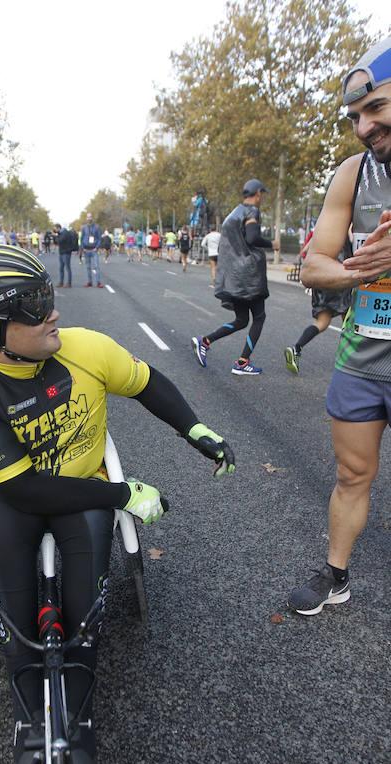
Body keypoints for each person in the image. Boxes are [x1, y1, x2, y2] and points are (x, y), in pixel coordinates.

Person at [0, 243, 235, 764]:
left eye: (46, 294)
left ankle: (78, 706)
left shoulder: (86, 348)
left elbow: (148, 385)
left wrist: (196, 431)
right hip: (18, 496)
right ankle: (28, 706)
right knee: (8, 547)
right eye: (33, 304)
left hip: (81, 493)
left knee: (84, 605)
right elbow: (27, 491)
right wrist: (122, 495)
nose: (53, 310)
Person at [288, 36, 391, 616]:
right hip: (363, 352)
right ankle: (336, 575)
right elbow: (314, 265)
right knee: (352, 472)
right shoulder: (354, 174)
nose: (362, 127)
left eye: (375, 108)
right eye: (355, 116)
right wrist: (357, 270)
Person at [191, 178, 280, 376]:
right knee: (259, 317)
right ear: (257, 193)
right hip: (248, 276)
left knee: (241, 320)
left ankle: (204, 341)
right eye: (261, 194)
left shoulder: (233, 213)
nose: (261, 198)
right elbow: (252, 238)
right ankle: (242, 362)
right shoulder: (251, 212)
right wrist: (271, 244)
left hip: (233, 276)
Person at [285, 238, 353, 375]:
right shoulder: (346, 220)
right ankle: (349, 361)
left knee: (321, 322)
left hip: (321, 277)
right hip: (340, 275)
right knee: (348, 320)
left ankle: (297, 348)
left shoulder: (324, 226)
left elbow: (305, 250)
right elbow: (353, 238)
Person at [81, 212, 103, 288]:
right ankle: (89, 282)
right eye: (88, 217)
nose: (89, 218)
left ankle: (98, 282)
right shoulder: (83, 227)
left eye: (90, 217)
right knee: (88, 267)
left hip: (94, 250)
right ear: (86, 218)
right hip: (86, 250)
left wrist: (96, 247)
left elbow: (99, 238)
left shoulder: (97, 227)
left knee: (96, 266)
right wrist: (82, 247)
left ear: (92, 218)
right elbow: (82, 238)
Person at [55, 222, 73, 287]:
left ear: (58, 228)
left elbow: (59, 241)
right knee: (61, 268)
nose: (55, 231)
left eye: (56, 229)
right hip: (62, 252)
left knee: (67, 268)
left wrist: (56, 236)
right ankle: (61, 282)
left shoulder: (65, 233)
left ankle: (69, 283)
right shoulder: (62, 233)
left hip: (66, 253)